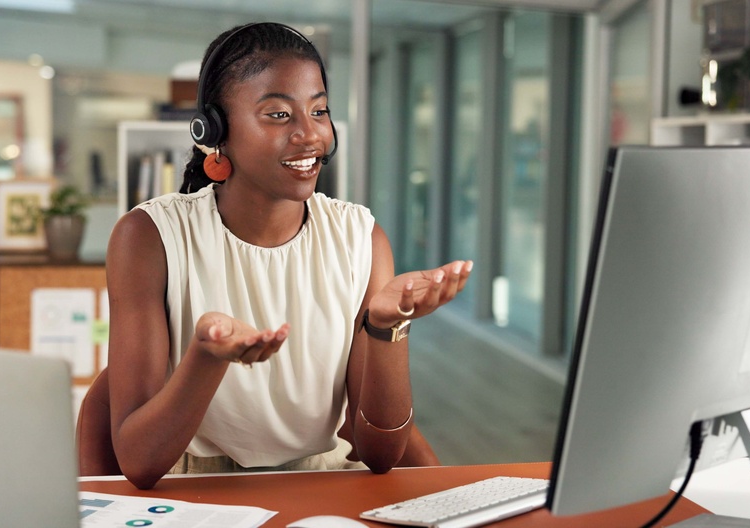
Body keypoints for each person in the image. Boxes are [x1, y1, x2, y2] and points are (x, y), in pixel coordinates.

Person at [78, 22, 472, 490]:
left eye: (319, 110)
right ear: (215, 128)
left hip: (323, 486)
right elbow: (140, 462)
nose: (310, 135)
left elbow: (381, 455)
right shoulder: (149, 238)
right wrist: (207, 358)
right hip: (191, 491)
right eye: (279, 115)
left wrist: (386, 329)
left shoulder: (360, 237)